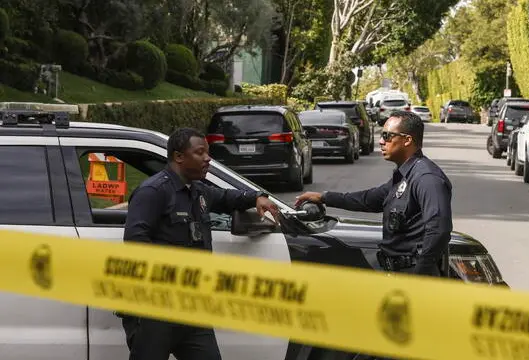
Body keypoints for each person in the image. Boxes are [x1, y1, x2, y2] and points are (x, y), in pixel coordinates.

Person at [121, 127, 280, 360]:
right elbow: (135, 246)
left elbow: (228, 197)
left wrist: (257, 196)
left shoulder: (198, 191)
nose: (208, 158)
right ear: (179, 157)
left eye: (208, 152)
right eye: (200, 152)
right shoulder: (153, 192)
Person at [295, 111, 453, 277]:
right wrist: (324, 197)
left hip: (413, 275)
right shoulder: (405, 175)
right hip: (396, 271)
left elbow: (438, 230)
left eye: (387, 136)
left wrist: (420, 276)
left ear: (407, 140)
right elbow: (369, 200)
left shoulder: (427, 178)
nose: (381, 141)